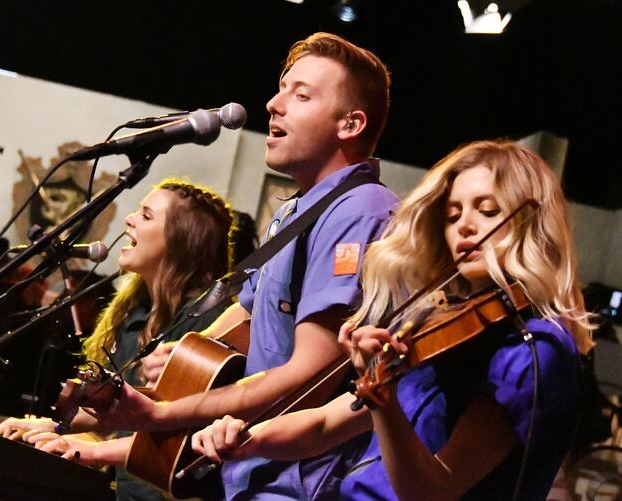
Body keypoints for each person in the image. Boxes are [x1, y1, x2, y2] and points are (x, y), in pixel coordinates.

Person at [30, 32, 399, 501]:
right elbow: (246, 315)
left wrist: (160, 415)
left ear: (350, 124)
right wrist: (184, 350)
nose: (273, 104)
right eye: (281, 88)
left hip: (303, 483)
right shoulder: (295, 211)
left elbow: (309, 372)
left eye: (301, 95)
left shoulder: (360, 210)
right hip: (254, 475)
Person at [190, 140, 594, 501]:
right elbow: (325, 425)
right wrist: (245, 437)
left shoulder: (535, 350)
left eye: (488, 211)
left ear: (531, 224)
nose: (465, 226)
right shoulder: (447, 328)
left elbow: (433, 491)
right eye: (452, 216)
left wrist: (382, 403)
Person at [0, 178, 235, 501]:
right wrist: (51, 426)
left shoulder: (207, 323)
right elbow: (111, 416)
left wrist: (85, 449)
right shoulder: (136, 313)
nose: (129, 219)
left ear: (182, 241)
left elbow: (179, 442)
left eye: (146, 215)